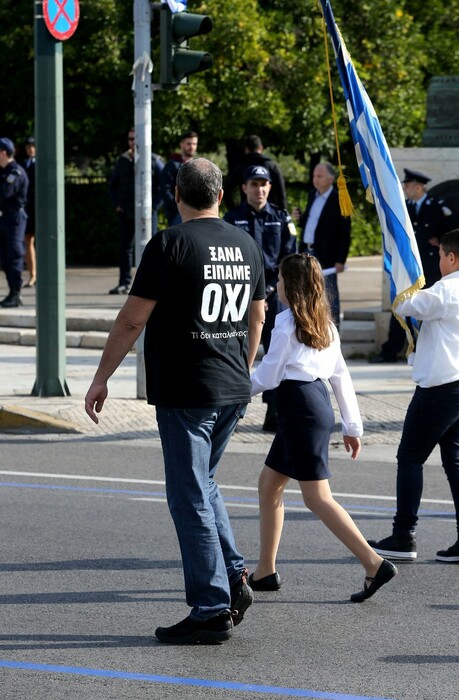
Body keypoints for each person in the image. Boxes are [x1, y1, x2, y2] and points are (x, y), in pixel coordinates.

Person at [85, 158, 265, 645]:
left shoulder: (170, 243)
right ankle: (232, 578)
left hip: (188, 390)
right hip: (231, 386)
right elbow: (258, 316)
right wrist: (245, 369)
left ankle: (210, 609)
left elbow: (131, 320)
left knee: (188, 497)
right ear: (222, 196)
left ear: (178, 195)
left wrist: (102, 377)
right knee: (204, 484)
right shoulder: (246, 244)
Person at [249, 253, 397, 602]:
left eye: (282, 280)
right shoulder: (326, 325)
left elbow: (268, 376)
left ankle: (374, 563)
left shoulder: (285, 326)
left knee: (317, 498)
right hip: (311, 408)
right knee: (269, 487)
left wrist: (233, 389)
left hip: (299, 411)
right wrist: (352, 426)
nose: (278, 286)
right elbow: (340, 376)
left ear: (293, 286)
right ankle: (265, 571)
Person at [369, 229, 459, 563]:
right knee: (457, 462)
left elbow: (406, 303)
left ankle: (403, 536)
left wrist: (399, 268)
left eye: (440, 256)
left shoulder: (448, 289)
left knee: (410, 457)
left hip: (443, 390)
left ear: (451, 257)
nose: (438, 262)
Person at [224, 164, 297, 432]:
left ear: (270, 187)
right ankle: (230, 405)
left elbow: (289, 259)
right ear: (245, 188)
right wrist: (252, 294)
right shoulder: (231, 218)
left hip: (275, 296)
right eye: (254, 184)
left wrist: (267, 292)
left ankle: (274, 410)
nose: (259, 189)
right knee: (237, 351)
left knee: (277, 352)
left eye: (263, 184)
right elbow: (228, 260)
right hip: (241, 297)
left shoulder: (281, 218)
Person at [370, 168, 459, 363]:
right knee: (402, 305)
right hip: (409, 268)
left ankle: (424, 350)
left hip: (431, 268)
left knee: (427, 311)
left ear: (419, 187)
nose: (404, 188)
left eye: (408, 185)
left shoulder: (437, 207)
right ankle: (391, 350)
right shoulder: (406, 208)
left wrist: (442, 242)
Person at [108, 128, 164, 295]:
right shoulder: (123, 160)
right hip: (127, 212)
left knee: (151, 247)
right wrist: (117, 204)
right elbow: (113, 185)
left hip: (147, 214)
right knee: (125, 248)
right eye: (130, 139)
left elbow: (164, 185)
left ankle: (151, 283)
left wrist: (154, 206)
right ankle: (125, 282)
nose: (133, 143)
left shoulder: (154, 161)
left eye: (136, 139)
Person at [297, 162, 351, 327]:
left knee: (329, 296)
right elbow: (311, 223)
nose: (315, 179)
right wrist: (300, 219)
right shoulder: (312, 195)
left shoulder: (339, 199)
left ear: (330, 178)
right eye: (314, 176)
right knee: (306, 294)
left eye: (319, 176)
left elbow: (345, 233)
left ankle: (333, 333)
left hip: (326, 256)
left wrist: (341, 260)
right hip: (307, 251)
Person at [0, 136, 29, 308]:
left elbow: (4, 192)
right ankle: (12, 292)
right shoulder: (4, 171)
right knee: (5, 257)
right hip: (5, 218)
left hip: (15, 218)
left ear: (3, 153)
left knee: (14, 254)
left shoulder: (15, 172)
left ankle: (16, 293)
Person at [224, 134, 287, 211]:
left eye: (263, 184)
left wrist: (234, 210)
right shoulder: (272, 166)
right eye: (254, 184)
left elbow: (227, 190)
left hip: (246, 213)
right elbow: (281, 194)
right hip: (269, 215)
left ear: (246, 149)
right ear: (261, 148)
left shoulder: (241, 168)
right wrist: (281, 213)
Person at [160, 130, 198, 226]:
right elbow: (165, 190)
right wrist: (178, 206)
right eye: (189, 143)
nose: (192, 147)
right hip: (177, 214)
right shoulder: (171, 165)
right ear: (181, 144)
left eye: (194, 144)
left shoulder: (198, 166)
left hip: (196, 213)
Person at [21, 136, 36, 288]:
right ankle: (33, 274)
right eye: (29, 146)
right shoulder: (24, 164)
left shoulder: (41, 164)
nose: (31, 149)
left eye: (33, 146)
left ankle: (38, 273)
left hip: (40, 208)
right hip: (28, 208)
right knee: (28, 240)